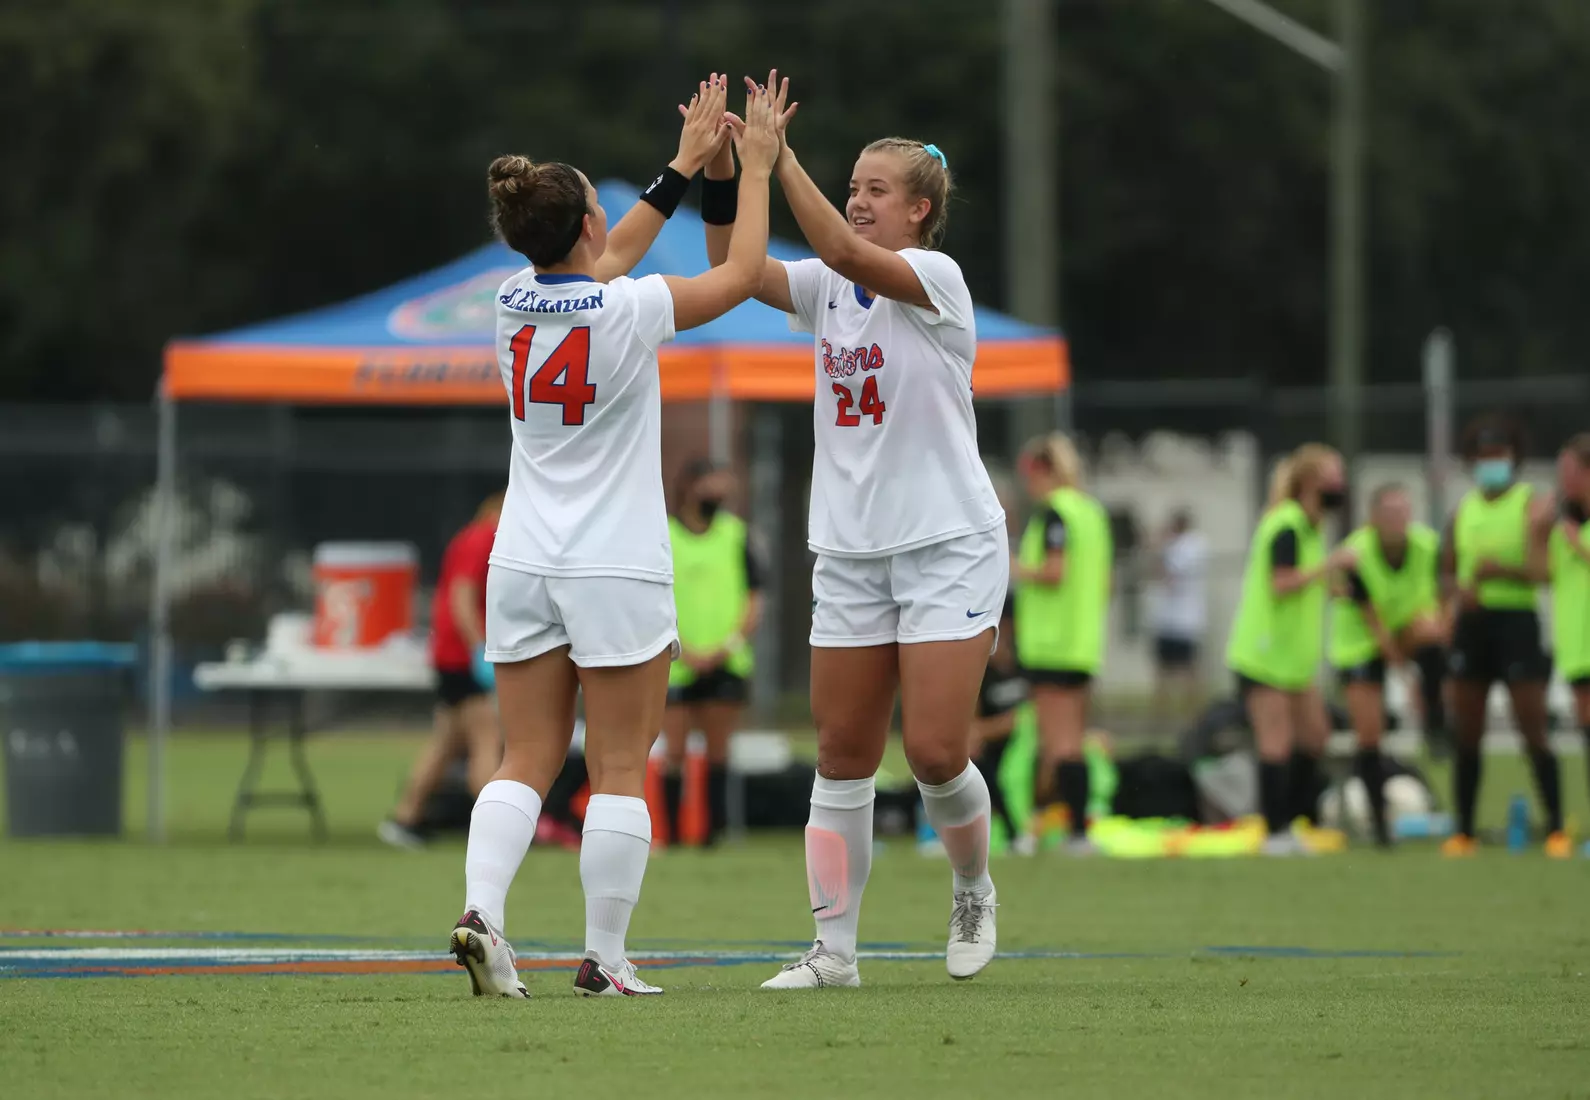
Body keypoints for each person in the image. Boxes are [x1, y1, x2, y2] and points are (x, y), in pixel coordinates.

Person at [448, 76, 782, 998]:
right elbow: (741, 276)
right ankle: (605, 957)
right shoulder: (628, 308)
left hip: (523, 559)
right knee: (623, 764)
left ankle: (482, 913)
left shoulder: (513, 298)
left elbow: (611, 249)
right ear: (589, 225)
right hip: (615, 565)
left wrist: (681, 165)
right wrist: (750, 170)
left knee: (524, 758)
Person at [715, 72, 1006, 989]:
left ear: (920, 210)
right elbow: (736, 269)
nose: (857, 200)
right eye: (853, 186)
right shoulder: (827, 285)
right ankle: (833, 952)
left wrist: (779, 159)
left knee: (935, 754)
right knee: (841, 757)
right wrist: (729, 173)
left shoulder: (934, 279)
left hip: (946, 542)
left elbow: (839, 247)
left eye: (877, 189)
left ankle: (973, 888)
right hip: (849, 549)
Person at [1439, 416, 1567, 858]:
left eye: (1499, 455)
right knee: (1467, 728)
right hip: (1474, 625)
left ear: (1514, 458)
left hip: (1516, 622)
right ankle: (1464, 831)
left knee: (1531, 724)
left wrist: (1502, 571)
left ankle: (1556, 827)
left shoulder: (1531, 506)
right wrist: (1457, 592)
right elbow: (1447, 572)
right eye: (1483, 457)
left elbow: (1544, 572)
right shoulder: (1462, 511)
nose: (1491, 464)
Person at [1226, 443, 1357, 855]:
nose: (1341, 484)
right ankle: (1276, 830)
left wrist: (1334, 588)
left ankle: (1294, 818)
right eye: (1334, 476)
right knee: (1276, 742)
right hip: (1265, 655)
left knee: (1316, 736)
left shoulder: (1310, 528)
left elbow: (1304, 582)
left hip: (1294, 660)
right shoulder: (1286, 525)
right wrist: (1330, 566)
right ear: (1311, 481)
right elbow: (1282, 583)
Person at [379, 491, 505, 849]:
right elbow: (462, 597)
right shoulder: (482, 538)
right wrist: (479, 647)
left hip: (451, 654)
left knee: (446, 742)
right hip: (462, 656)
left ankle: (406, 816)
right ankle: (494, 830)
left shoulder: (471, 537)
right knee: (487, 740)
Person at [1326, 483, 1446, 847]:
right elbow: (1370, 617)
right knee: (1370, 733)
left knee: (1433, 632)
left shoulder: (1427, 546)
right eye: (1389, 513)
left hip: (1403, 630)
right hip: (1361, 643)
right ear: (1373, 518)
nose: (1397, 520)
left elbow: (1438, 603)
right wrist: (1403, 674)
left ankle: (1437, 721)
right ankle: (1378, 825)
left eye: (1402, 512)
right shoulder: (1357, 552)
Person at [1013, 433, 1112, 854]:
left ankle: (1069, 832)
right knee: (1074, 739)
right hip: (1082, 644)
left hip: (1051, 645)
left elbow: (1054, 572)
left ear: (1043, 471)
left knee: (1060, 744)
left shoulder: (1055, 514)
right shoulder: (1090, 513)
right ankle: (1076, 830)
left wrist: (1014, 567)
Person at [661, 458, 766, 847]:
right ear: (689, 487)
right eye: (711, 486)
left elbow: (755, 598)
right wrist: (681, 646)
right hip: (677, 661)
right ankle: (672, 836)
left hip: (725, 661)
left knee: (718, 752)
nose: (718, 495)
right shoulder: (665, 535)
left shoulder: (737, 535)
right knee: (673, 752)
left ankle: (714, 834)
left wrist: (728, 646)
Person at [970, 598, 1031, 855]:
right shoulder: (980, 670)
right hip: (995, 748)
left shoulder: (1027, 664)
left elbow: (1030, 717)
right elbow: (972, 724)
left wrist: (993, 728)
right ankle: (1010, 831)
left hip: (1028, 746)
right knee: (975, 761)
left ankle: (1019, 830)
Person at [1552, 434, 1590, 823]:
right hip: (1578, 648)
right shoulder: (1564, 526)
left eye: (1569, 470)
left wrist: (1576, 543)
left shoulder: (1572, 533)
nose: (1563, 478)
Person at [1150, 507, 1208, 727]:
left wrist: (1159, 546)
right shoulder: (1177, 546)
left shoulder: (1191, 546)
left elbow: (1168, 576)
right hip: (1168, 619)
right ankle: (1162, 717)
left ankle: (1191, 717)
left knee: (1187, 669)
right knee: (1164, 669)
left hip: (1184, 620)